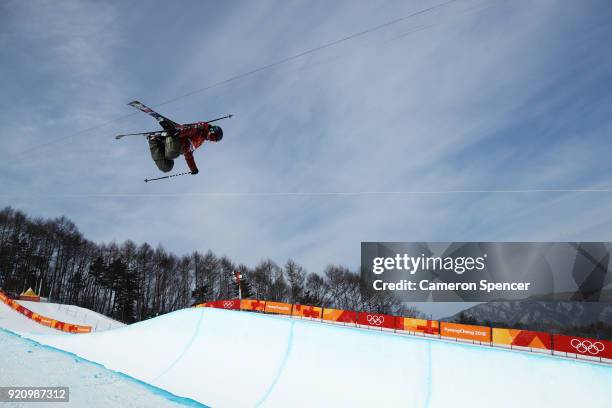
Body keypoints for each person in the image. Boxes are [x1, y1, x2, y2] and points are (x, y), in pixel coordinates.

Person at [148, 124, 223, 174]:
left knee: (166, 167)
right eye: (212, 136)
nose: (210, 139)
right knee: (173, 153)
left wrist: (193, 168)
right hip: (175, 141)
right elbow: (190, 130)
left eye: (213, 140)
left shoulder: (200, 141)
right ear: (211, 130)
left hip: (171, 145)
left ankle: (153, 141)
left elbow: (188, 154)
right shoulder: (199, 131)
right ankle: (169, 129)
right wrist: (178, 132)